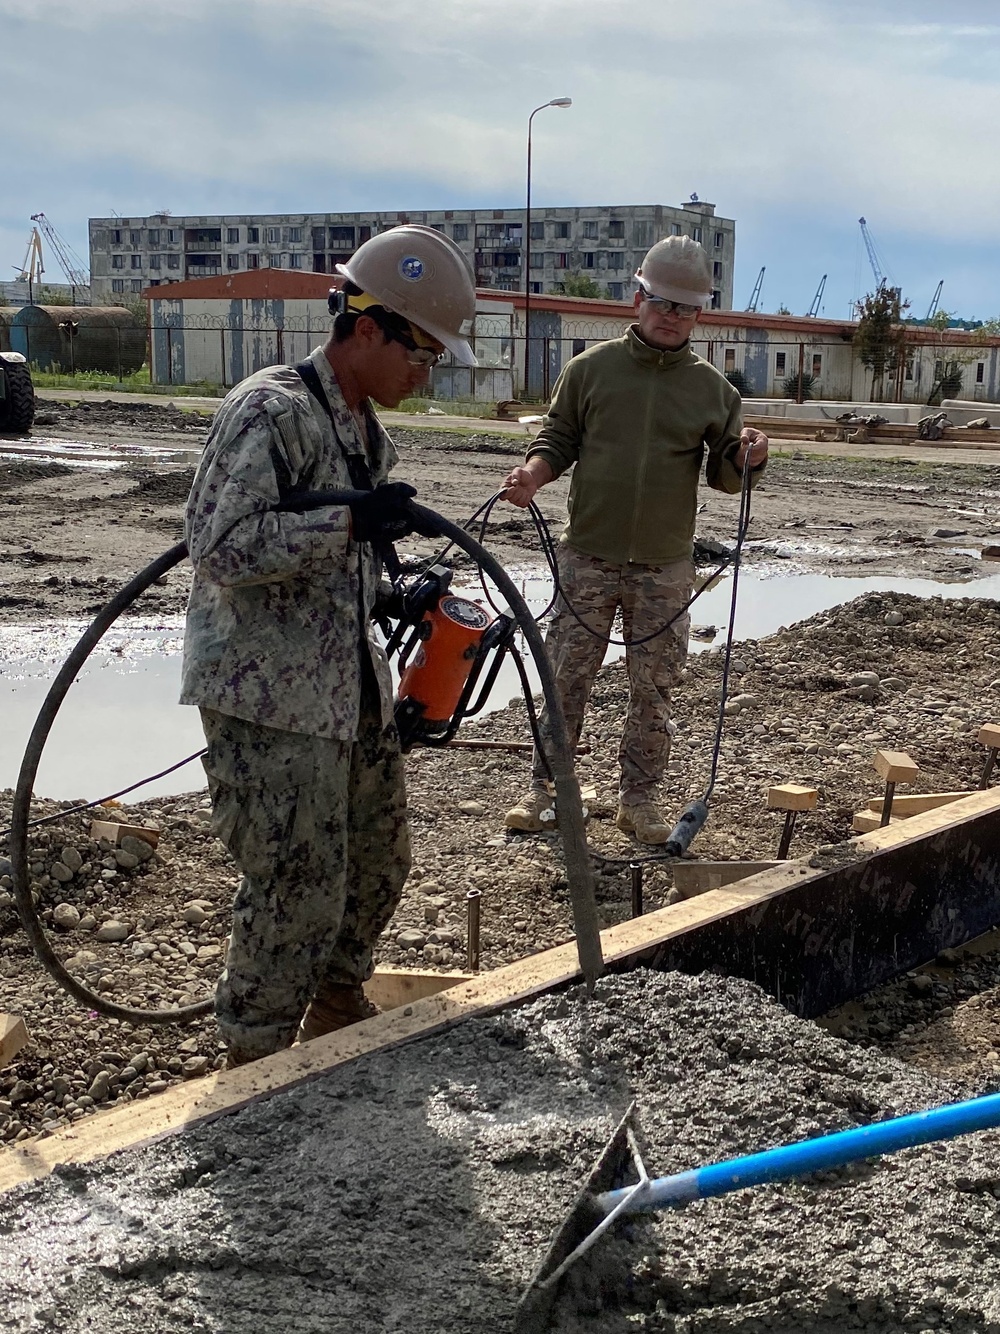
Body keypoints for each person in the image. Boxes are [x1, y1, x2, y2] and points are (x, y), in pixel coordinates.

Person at [180, 225, 477, 1066]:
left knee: (381, 863)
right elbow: (222, 545)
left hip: (348, 690)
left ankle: (336, 1018)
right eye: (419, 353)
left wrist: (392, 590)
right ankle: (255, 1064)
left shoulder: (361, 427)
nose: (425, 373)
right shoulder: (269, 408)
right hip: (269, 696)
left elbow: (329, 558)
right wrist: (347, 518)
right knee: (294, 889)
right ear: (368, 327)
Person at [502, 235, 768, 844]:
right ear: (637, 297)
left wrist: (750, 456)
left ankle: (639, 802)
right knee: (566, 676)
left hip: (664, 566)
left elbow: (725, 476)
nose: (671, 317)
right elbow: (558, 438)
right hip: (587, 555)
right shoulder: (590, 370)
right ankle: (546, 793)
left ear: (700, 314)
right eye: (662, 302)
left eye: (685, 308)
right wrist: (533, 475)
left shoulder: (713, 391)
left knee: (654, 690)